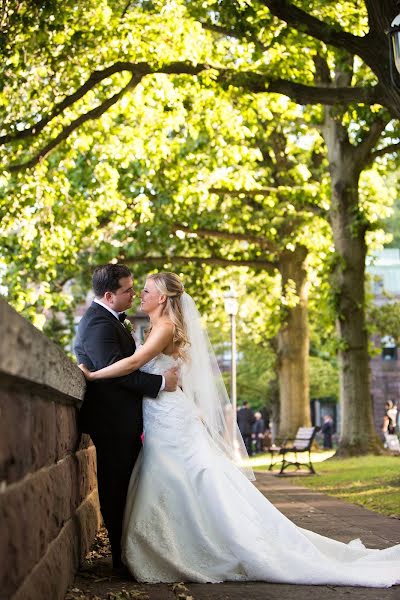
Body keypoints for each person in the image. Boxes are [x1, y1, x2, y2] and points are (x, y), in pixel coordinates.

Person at [79, 272, 400, 587]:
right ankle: (177, 542)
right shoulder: (155, 326)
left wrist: (93, 376)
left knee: (188, 477)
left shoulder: (164, 328)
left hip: (169, 416)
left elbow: (134, 365)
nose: (140, 295)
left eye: (146, 290)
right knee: (178, 478)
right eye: (137, 290)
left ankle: (205, 544)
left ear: (162, 298)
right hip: (161, 414)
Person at [74, 264, 178, 570]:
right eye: (128, 290)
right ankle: (122, 558)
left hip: (126, 419)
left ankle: (131, 551)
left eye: (137, 289)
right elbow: (116, 374)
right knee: (116, 487)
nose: (134, 294)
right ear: (109, 295)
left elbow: (124, 366)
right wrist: (160, 383)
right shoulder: (99, 325)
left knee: (129, 486)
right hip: (113, 422)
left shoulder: (112, 321)